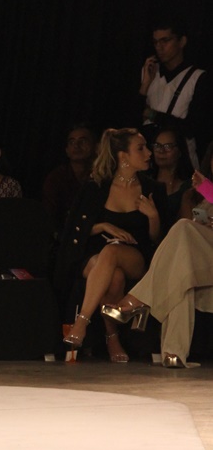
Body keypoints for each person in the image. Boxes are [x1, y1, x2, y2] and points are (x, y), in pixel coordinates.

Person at [102, 140, 213, 368]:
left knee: (183, 238)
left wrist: (209, 192)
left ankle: (137, 299)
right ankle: (173, 354)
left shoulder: (207, 191)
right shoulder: (198, 196)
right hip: (203, 265)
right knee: (180, 269)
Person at [58, 128, 165, 363]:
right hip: (95, 255)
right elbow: (72, 229)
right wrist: (102, 226)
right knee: (113, 275)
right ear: (123, 156)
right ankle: (111, 337)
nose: (149, 153)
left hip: (134, 255)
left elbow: (158, 240)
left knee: (112, 253)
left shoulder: (152, 189)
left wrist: (153, 216)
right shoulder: (96, 186)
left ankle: (81, 323)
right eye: (141, 148)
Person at [139, 16, 210, 167]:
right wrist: (144, 87)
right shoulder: (149, 72)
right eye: (156, 42)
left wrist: (152, 114)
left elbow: (193, 127)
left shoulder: (198, 78)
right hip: (148, 160)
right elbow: (131, 118)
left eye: (165, 41)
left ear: (182, 42)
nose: (159, 47)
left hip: (183, 164)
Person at [42, 123, 97, 234]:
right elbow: (49, 216)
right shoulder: (56, 178)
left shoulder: (102, 177)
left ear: (95, 147)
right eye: (72, 142)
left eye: (82, 141)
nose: (76, 146)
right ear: (67, 150)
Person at [148, 127, 192, 230]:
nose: (161, 151)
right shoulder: (145, 182)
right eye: (157, 146)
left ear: (180, 151)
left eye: (168, 146)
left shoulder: (188, 187)